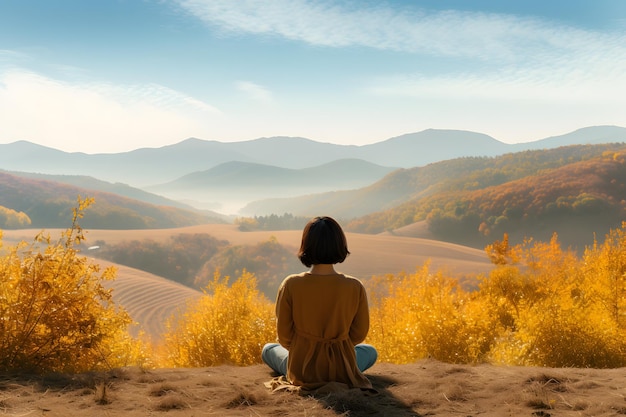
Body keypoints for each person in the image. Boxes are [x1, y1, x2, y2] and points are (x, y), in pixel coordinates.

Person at [261, 216, 378, 391]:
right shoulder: (354, 286)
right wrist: (336, 348)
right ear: (340, 245)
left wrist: (306, 348)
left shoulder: (291, 284)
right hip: (341, 369)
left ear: (306, 246)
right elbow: (358, 335)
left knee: (268, 348)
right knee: (369, 351)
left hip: (302, 370)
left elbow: (285, 337)